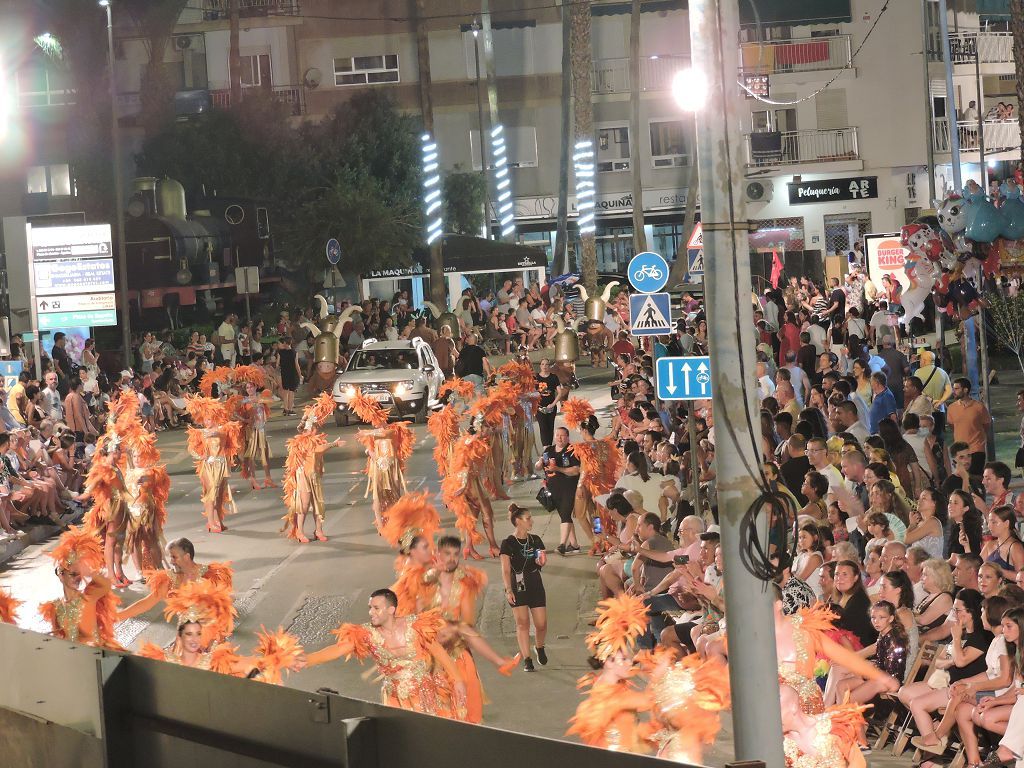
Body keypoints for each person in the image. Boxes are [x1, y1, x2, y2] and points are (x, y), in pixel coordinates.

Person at [304, 589, 468, 718]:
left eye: (376, 608)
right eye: (370, 608)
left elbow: (439, 653)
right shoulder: (366, 633)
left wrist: (458, 680)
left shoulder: (416, 626)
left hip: (427, 694)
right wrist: (305, 660)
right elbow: (337, 650)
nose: (371, 613)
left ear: (391, 609)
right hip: (395, 698)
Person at [38, 526, 119, 648]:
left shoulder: (88, 597)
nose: (78, 577)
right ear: (61, 575)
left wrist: (89, 571)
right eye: (73, 574)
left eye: (80, 574)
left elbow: (106, 585)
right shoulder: (55, 606)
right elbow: (57, 635)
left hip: (95, 655)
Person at [282, 394, 345, 543]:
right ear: (307, 430)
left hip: (314, 475)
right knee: (304, 505)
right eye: (313, 428)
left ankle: (319, 530)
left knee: (318, 503)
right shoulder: (302, 442)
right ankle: (300, 531)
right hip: (303, 475)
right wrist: (334, 444)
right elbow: (318, 450)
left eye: (316, 427)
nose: (315, 430)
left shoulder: (316, 439)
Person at [500, 504, 548, 672]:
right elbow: (505, 569)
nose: (531, 521)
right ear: (518, 521)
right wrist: (508, 589)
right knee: (523, 623)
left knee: (541, 624)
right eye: (528, 518)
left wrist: (541, 560)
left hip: (534, 581)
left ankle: (539, 647)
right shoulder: (508, 543)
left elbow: (540, 557)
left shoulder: (535, 540)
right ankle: (527, 658)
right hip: (517, 583)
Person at [536, 426, 581, 555]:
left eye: (562, 436)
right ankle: (574, 545)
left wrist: (558, 469)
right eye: (557, 435)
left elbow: (576, 470)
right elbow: (540, 465)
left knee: (566, 514)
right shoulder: (549, 450)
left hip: (568, 487)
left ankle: (562, 545)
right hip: (553, 489)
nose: (559, 438)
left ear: (567, 437)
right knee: (564, 515)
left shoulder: (572, 450)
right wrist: (539, 464)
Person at [946, 376, 991, 476]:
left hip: (976, 448)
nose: (954, 391)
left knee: (976, 478)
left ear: (965, 390)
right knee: (963, 479)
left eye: (956, 388)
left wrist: (980, 438)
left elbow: (986, 425)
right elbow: (952, 425)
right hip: (960, 450)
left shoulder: (979, 407)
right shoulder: (951, 408)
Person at [534, 358, 565, 448]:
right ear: (540, 366)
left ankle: (549, 447)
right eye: (542, 364)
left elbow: (560, 392)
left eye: (546, 364)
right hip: (539, 407)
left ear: (549, 366)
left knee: (550, 427)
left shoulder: (553, 377)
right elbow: (531, 391)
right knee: (543, 427)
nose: (544, 366)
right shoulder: (536, 377)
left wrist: (553, 404)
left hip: (551, 407)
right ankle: (545, 448)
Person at [276, 336, 300, 416]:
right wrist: (300, 374)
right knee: (291, 392)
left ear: (285, 343)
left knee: (285, 391)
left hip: (284, 373)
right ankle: (290, 409)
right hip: (293, 373)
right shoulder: (294, 352)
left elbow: (277, 364)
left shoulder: (280, 352)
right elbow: (297, 365)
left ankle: (285, 409)